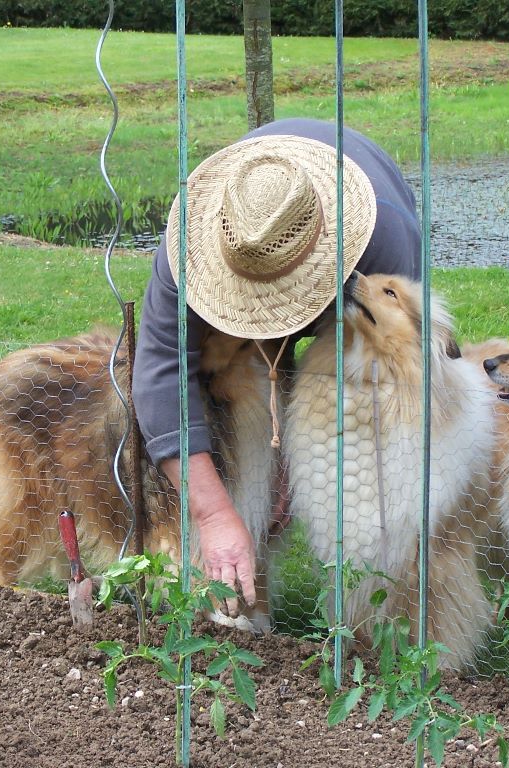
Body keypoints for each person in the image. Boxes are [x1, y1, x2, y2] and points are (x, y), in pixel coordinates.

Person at [132, 117, 422, 616]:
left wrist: (301, 456)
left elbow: (391, 377)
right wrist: (214, 514)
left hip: (364, 234)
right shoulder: (191, 247)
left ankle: (381, 600)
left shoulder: (385, 238)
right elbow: (160, 369)